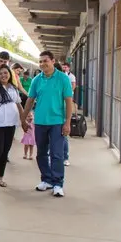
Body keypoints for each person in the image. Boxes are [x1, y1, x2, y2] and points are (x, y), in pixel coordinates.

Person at [20, 51, 74, 198]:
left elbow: (69, 102)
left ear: (52, 61)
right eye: (41, 61)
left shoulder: (63, 79)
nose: (43, 64)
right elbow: (30, 100)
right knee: (41, 153)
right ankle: (46, 179)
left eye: (45, 61)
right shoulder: (37, 80)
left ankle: (58, 183)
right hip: (40, 122)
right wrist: (23, 119)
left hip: (57, 122)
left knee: (57, 154)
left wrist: (67, 122)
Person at [62, 63, 77, 167]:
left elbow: (73, 87)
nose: (64, 68)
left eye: (65, 67)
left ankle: (65, 157)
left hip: (63, 112)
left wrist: (68, 120)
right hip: (54, 115)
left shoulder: (70, 77)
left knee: (64, 137)